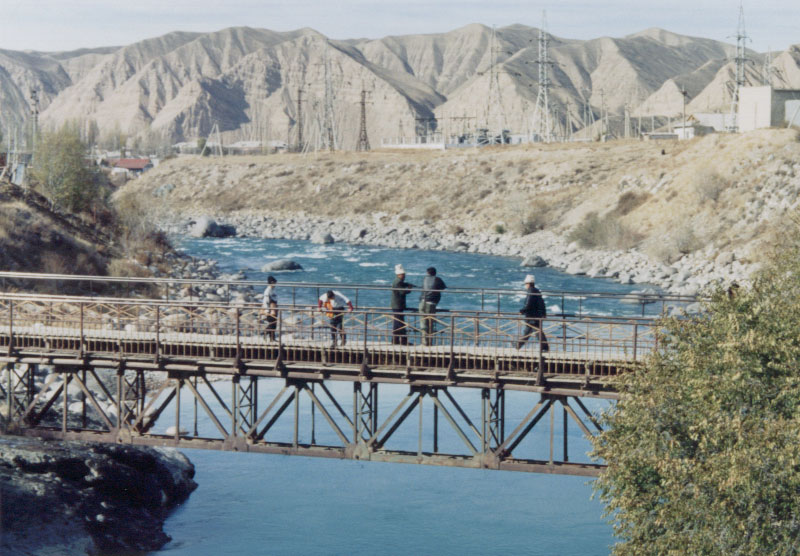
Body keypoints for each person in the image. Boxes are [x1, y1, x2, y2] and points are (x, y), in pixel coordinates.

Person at [517, 274, 549, 352]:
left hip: (532, 316)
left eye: (525, 284)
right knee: (533, 331)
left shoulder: (530, 291)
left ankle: (545, 348)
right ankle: (517, 345)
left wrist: (522, 311)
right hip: (537, 315)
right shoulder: (536, 290)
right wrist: (543, 313)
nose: (525, 285)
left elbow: (528, 304)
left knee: (533, 332)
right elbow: (542, 303)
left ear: (528, 284)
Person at [419, 267, 446, 346]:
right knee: (430, 322)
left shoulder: (424, 279)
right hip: (431, 303)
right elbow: (443, 287)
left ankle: (424, 342)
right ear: (435, 273)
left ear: (427, 273)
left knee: (423, 323)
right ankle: (429, 341)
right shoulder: (437, 279)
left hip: (422, 302)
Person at [390, 264, 415, 345]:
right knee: (400, 323)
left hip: (396, 305)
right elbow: (402, 292)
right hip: (398, 305)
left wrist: (407, 284)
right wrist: (409, 289)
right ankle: (403, 341)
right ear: (399, 275)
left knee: (396, 323)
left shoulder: (397, 281)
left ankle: (395, 340)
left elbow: (402, 285)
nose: (404, 276)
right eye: (403, 275)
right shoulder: (398, 282)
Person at [262, 275, 278, 341]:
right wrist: (267, 310)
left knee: (274, 324)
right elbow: (266, 301)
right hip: (270, 309)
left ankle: (272, 338)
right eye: (274, 283)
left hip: (273, 308)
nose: (275, 284)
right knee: (272, 324)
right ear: (271, 282)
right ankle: (265, 333)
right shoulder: (267, 291)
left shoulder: (272, 290)